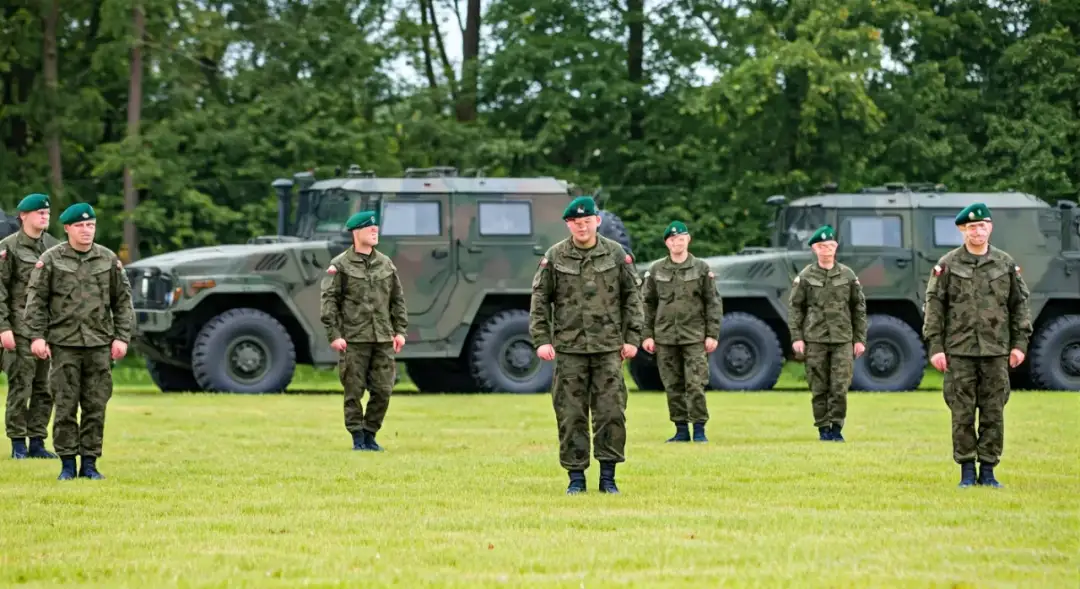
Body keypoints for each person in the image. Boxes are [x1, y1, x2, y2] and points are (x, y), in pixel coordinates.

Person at [529, 196, 644, 495]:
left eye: (586, 221)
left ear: (597, 221)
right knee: (571, 414)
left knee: (611, 413)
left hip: (608, 349)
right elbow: (540, 301)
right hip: (569, 351)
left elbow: (633, 298)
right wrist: (541, 339)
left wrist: (632, 338)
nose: (582, 226)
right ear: (568, 224)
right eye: (576, 222)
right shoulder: (555, 257)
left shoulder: (617, 254)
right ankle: (576, 479)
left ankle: (608, 478)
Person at [922, 202, 1032, 488]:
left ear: (990, 227)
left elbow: (1019, 306)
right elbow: (934, 307)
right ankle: (967, 470)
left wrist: (1019, 344)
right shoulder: (947, 265)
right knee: (962, 413)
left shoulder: (1005, 265)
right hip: (959, 352)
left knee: (994, 412)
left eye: (982, 226)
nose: (977, 231)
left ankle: (989, 471)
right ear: (963, 230)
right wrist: (935, 347)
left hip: (996, 352)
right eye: (972, 227)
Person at [24, 202, 134, 480]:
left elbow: (123, 302)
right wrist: (37, 336)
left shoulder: (108, 260)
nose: (87, 230)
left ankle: (90, 464)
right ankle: (67, 464)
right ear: (68, 228)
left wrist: (122, 337)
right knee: (65, 406)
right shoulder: (51, 260)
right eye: (81, 226)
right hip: (64, 345)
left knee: (96, 406)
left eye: (91, 225)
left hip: (99, 345)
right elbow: (36, 301)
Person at [319, 210, 408, 452]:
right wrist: (334, 335)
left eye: (376, 228)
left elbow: (397, 300)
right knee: (353, 391)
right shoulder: (340, 266)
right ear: (356, 232)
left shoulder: (386, 264)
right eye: (370, 229)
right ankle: (357, 437)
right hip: (354, 340)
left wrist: (400, 331)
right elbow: (329, 302)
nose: (375, 231)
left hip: (382, 338)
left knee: (383, 390)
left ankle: (370, 433)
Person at [640, 221, 723, 443]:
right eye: (673, 240)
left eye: (681, 238)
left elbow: (712, 302)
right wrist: (646, 335)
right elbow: (646, 304)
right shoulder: (657, 270)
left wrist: (712, 334)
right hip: (665, 337)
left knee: (695, 384)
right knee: (672, 385)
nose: (677, 242)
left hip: (694, 336)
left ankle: (699, 429)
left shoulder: (701, 268)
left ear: (688, 240)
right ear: (667, 243)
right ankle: (681, 430)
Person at [786, 224, 867, 442]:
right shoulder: (805, 276)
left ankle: (837, 427)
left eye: (830, 245)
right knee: (819, 387)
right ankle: (823, 428)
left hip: (842, 339)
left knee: (839, 387)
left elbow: (858, 308)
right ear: (815, 249)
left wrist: (859, 339)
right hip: (815, 339)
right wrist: (797, 338)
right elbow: (795, 308)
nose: (827, 249)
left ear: (836, 247)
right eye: (822, 246)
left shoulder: (848, 275)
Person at [0, 193, 62, 459]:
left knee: (45, 387)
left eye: (46, 212)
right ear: (23, 216)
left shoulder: (55, 246)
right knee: (20, 385)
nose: (44, 215)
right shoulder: (9, 247)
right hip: (18, 328)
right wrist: (3, 328)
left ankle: (37, 441)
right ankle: (17, 444)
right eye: (39, 212)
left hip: (47, 331)